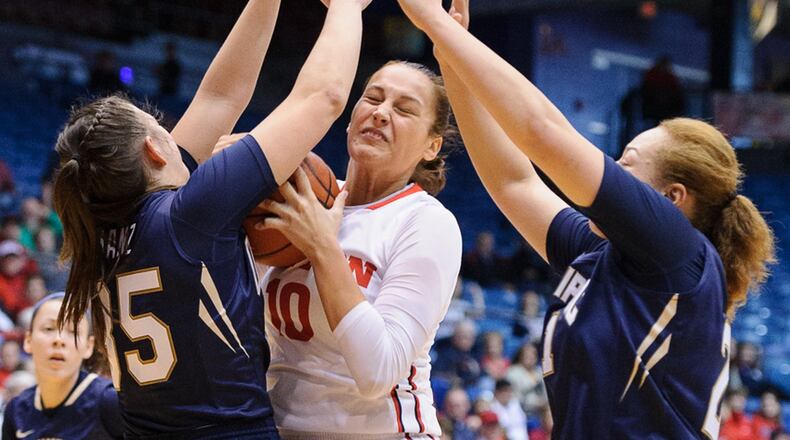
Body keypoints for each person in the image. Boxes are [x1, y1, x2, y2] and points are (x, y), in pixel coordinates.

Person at [396, 0, 776, 438]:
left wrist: (435, 21)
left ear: (671, 200)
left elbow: (542, 131)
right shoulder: (604, 255)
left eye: (626, 165)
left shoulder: (681, 254)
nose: (611, 170)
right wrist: (450, 58)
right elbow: (513, 183)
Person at [52, 0, 368, 437]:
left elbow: (220, 97)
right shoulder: (191, 213)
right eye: (162, 125)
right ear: (155, 150)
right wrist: (348, 8)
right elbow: (324, 97)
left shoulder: (100, 229)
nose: (176, 131)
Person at [259, 59, 462, 438]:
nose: (381, 113)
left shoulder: (426, 222)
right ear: (351, 119)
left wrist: (323, 248)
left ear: (431, 146)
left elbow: (379, 371)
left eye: (403, 109)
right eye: (373, 98)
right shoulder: (301, 196)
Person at [2, 292, 123, 439]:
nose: (59, 340)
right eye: (49, 329)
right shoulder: (16, 411)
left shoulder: (109, 402)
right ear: (28, 340)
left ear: (88, 346)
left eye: (73, 331)